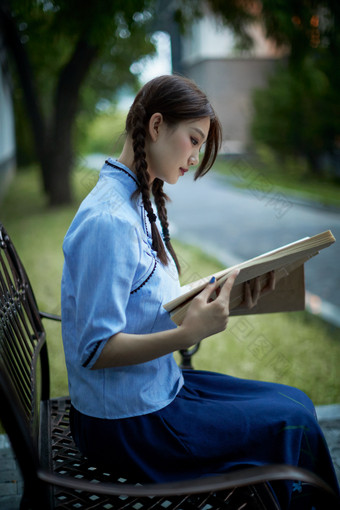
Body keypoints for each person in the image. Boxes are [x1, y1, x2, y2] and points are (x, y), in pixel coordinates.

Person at [61, 74, 339, 509]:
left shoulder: (138, 197)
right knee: (294, 420)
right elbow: (95, 349)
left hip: (155, 391)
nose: (194, 157)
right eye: (193, 140)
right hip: (128, 425)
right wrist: (188, 335)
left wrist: (235, 297)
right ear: (156, 127)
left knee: (295, 401)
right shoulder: (108, 219)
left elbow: (142, 306)